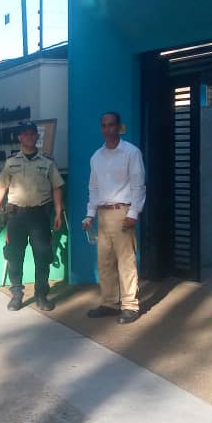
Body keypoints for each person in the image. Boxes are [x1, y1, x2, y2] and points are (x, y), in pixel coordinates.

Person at [0, 121, 64, 312]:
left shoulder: (47, 162)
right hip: (17, 217)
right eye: (26, 134)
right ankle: (16, 295)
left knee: (43, 256)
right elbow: (1, 188)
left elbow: (57, 187)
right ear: (20, 138)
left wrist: (58, 212)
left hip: (39, 216)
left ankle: (41, 295)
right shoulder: (11, 162)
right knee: (15, 256)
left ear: (36, 137)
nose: (30, 137)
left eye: (33, 134)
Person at [82, 112, 145, 324]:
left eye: (111, 125)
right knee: (105, 262)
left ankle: (130, 306)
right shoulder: (96, 157)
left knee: (126, 262)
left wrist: (134, 213)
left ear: (119, 127)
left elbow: (138, 185)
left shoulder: (131, 152)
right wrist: (90, 214)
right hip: (102, 214)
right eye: (104, 125)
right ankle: (109, 303)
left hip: (122, 212)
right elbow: (93, 187)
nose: (107, 129)